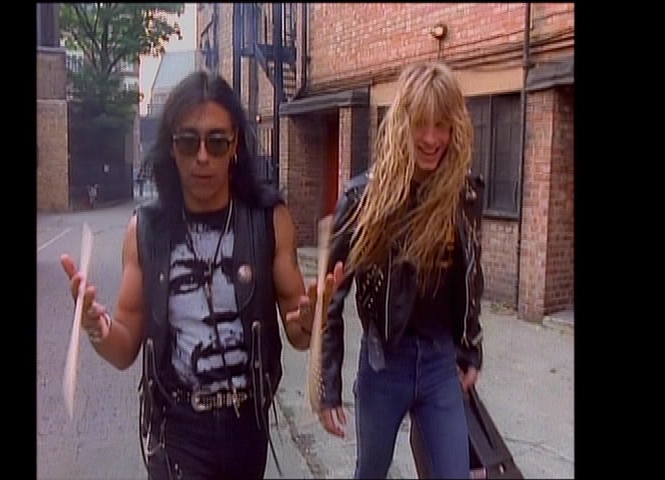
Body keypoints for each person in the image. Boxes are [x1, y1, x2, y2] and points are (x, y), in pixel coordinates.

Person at [60, 70, 343, 480]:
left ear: (235, 145)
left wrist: (313, 321)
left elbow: (298, 335)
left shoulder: (268, 220)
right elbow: (122, 350)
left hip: (248, 428)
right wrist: (94, 326)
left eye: (217, 142)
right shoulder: (146, 231)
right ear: (172, 148)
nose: (203, 157)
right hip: (177, 431)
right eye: (189, 142)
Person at [317, 62, 486, 479]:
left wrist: (470, 348)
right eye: (420, 125)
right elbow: (330, 297)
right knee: (371, 471)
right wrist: (327, 384)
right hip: (383, 364)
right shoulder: (364, 198)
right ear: (401, 125)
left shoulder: (461, 195)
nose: (430, 139)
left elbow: (470, 278)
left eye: (441, 125)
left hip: (440, 364)